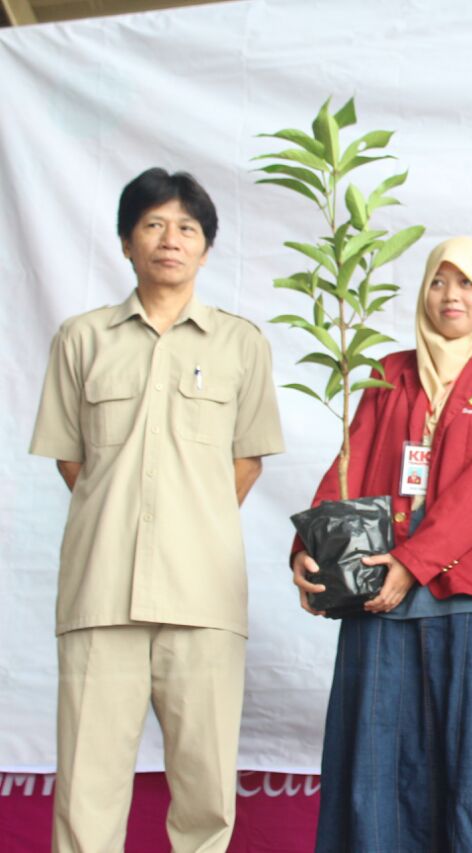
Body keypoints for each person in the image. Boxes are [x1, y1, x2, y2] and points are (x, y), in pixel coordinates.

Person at [30, 167, 285, 852]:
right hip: (101, 589)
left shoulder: (241, 344)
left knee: (205, 792)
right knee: (87, 790)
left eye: (187, 228)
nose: (170, 239)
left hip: (204, 595)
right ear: (126, 242)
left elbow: (247, 461)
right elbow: (72, 460)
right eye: (153, 225)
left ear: (205, 248)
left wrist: (189, 519)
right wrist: (120, 515)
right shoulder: (82, 339)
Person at [291, 236, 472, 852]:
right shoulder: (390, 372)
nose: (450, 295)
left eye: (466, 282)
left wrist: (414, 561)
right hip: (378, 594)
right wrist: (309, 550)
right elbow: (347, 468)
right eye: (438, 281)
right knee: (373, 770)